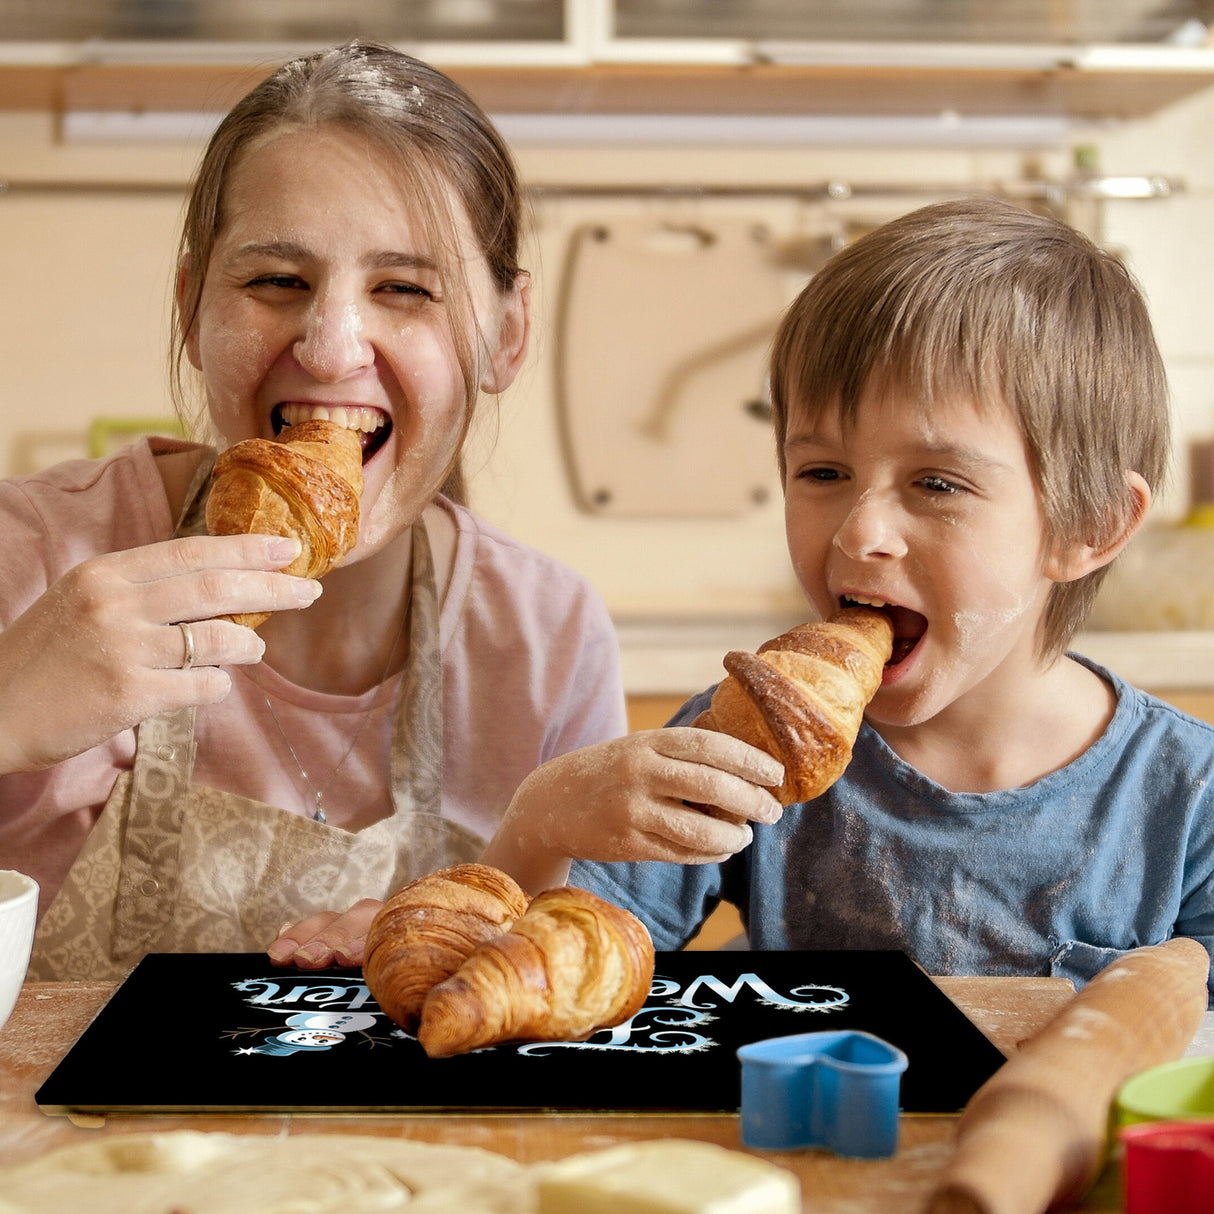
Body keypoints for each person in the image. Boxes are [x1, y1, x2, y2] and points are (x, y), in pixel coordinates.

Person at [1, 40, 635, 981]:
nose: (334, 347)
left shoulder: (544, 639)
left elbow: (580, 984)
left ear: (506, 335)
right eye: (275, 282)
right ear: (191, 307)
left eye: (405, 289)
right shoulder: (35, 557)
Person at [485, 196, 1214, 999]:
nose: (860, 531)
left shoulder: (1188, 799)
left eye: (937, 483)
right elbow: (550, 973)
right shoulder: (747, 741)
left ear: (1091, 524)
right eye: (824, 473)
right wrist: (540, 819)